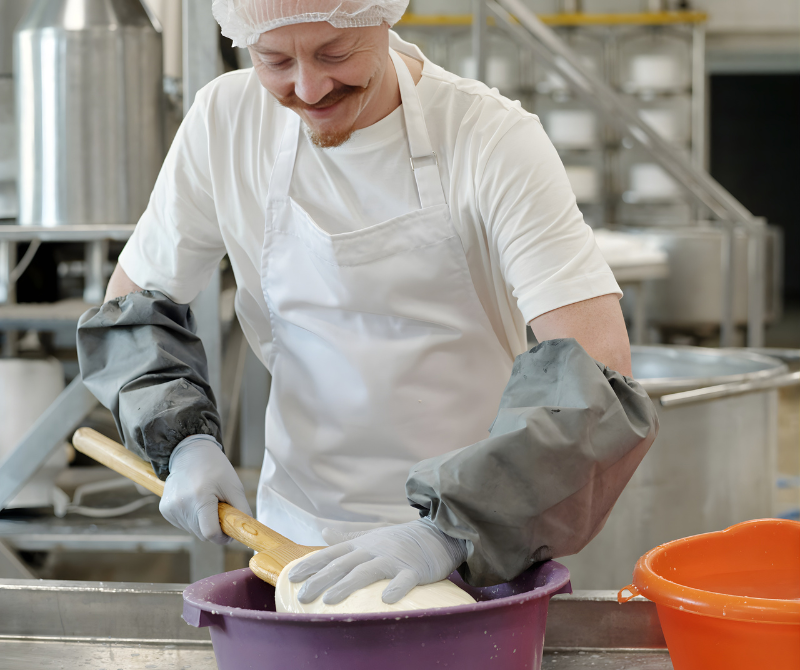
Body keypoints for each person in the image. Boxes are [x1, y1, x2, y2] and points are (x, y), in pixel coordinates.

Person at [78, 0, 658, 605]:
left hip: (480, 555)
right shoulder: (225, 121)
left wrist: (449, 533)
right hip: (296, 547)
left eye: (335, 53)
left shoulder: (490, 139)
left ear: (384, 20)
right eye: (274, 59)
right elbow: (130, 310)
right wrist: (181, 440)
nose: (308, 87)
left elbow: (600, 376)